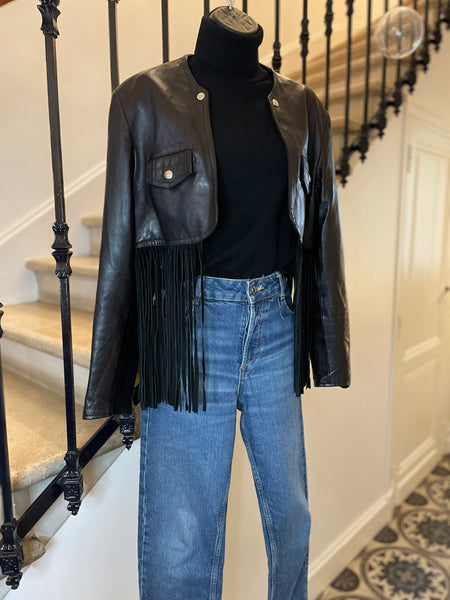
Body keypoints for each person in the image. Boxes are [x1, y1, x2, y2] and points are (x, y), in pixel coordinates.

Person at [83, 5, 351, 599]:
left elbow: (323, 226)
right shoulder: (144, 100)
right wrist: (114, 371)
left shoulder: (303, 107)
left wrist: (328, 344)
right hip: (189, 328)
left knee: (291, 514)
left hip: (276, 318)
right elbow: (121, 239)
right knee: (182, 536)